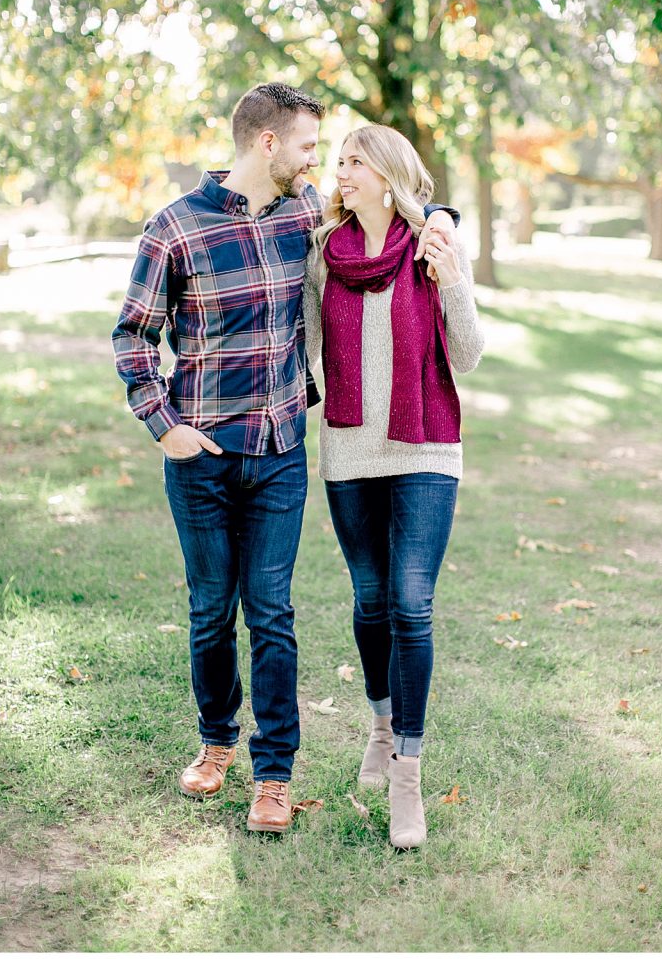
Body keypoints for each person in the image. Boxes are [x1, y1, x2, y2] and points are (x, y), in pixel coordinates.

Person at [112, 83, 456, 833]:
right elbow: (132, 335)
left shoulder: (307, 216)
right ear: (268, 144)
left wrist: (441, 221)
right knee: (211, 612)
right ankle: (215, 741)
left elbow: (392, 212)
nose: (318, 165)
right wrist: (161, 422)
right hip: (199, 453)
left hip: (278, 454)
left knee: (271, 611)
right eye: (307, 147)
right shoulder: (174, 228)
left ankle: (274, 773)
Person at [302, 124, 483, 849]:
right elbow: (307, 349)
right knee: (370, 599)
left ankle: (407, 769)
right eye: (339, 160)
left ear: (387, 175)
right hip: (349, 448)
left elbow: (466, 356)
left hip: (426, 447)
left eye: (353, 162)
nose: (341, 172)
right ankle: (379, 725)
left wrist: (455, 279)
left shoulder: (433, 246)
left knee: (412, 601)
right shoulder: (323, 254)